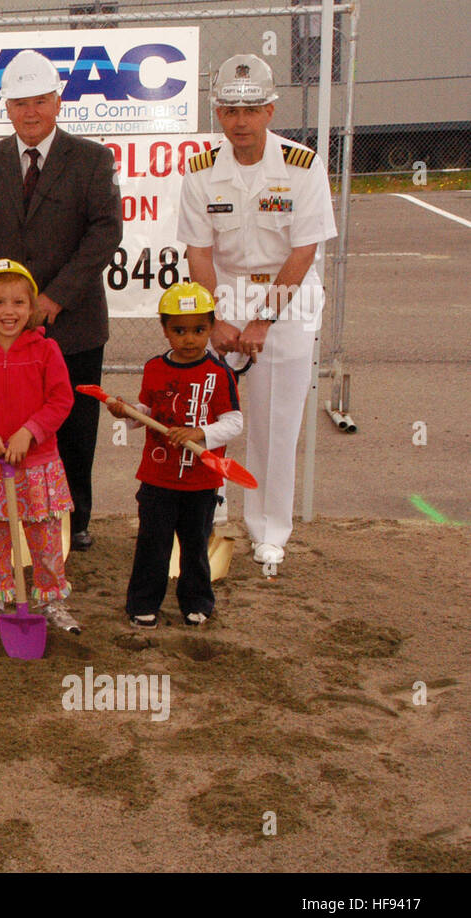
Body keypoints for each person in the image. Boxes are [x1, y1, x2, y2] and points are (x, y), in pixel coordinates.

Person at [0, 50, 122, 553]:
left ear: (58, 101)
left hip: (75, 323)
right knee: (3, 428)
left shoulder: (93, 159)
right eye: (20, 103)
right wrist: (1, 302)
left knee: (72, 429)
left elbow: (104, 233)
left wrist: (52, 298)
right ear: (6, 107)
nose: (30, 112)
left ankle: (74, 520)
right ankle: (4, 520)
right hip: (2, 331)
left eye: (40, 101)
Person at [176, 54, 337, 568]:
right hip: (222, 296)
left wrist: (263, 320)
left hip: (285, 300)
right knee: (206, 415)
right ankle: (208, 514)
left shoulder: (302, 166)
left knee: (274, 422)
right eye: (228, 110)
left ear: (271, 110)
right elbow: (198, 251)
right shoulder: (202, 171)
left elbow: (304, 249)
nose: (240, 121)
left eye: (251, 110)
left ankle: (269, 531)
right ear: (217, 113)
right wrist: (214, 320)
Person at [0, 259, 80, 641]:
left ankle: (51, 602)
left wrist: (30, 432)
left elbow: (60, 400)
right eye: (0, 303)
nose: (9, 312)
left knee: (46, 541)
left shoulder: (47, 351)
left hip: (40, 466)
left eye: (19, 303)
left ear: (32, 307)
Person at [105, 283, 244, 628]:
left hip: (201, 480)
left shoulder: (221, 373)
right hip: (157, 476)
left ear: (211, 327)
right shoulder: (154, 368)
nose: (189, 339)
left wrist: (201, 433)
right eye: (179, 331)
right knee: (153, 542)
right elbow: (150, 412)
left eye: (199, 330)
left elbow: (234, 423)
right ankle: (143, 602)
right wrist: (128, 413)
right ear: (165, 330)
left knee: (195, 544)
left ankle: (197, 600)